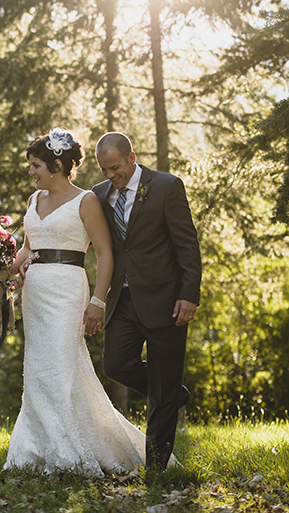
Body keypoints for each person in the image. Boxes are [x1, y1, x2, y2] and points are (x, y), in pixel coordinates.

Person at [4, 128, 153, 476]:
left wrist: (98, 301)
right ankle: (37, 447)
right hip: (36, 293)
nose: (31, 172)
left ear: (57, 165)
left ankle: (71, 448)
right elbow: (28, 249)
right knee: (39, 368)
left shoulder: (85, 201)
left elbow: (104, 253)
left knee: (62, 364)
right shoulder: (33, 201)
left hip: (68, 290)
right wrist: (0, 269)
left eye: (36, 166)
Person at [91, 132, 202, 471]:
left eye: (114, 168)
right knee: (116, 364)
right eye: (104, 170)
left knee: (163, 394)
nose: (110, 176)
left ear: (131, 158)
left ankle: (156, 470)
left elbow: (187, 244)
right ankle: (169, 390)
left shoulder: (167, 186)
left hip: (167, 299)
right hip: (122, 299)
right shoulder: (99, 194)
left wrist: (189, 294)